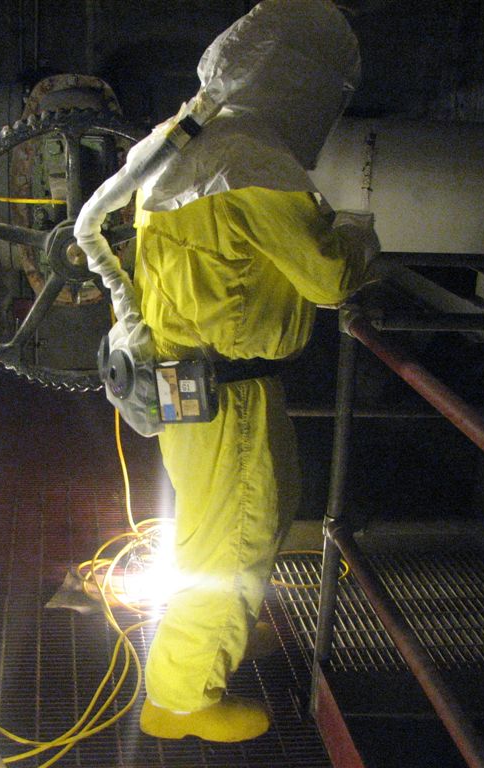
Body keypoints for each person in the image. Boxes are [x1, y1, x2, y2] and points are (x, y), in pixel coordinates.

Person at [132, 0, 377, 742]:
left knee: (235, 525)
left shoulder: (179, 139)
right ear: (300, 82)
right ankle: (180, 697)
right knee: (232, 539)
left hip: (189, 379)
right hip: (229, 389)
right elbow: (329, 275)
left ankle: (214, 638)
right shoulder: (252, 159)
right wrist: (360, 237)